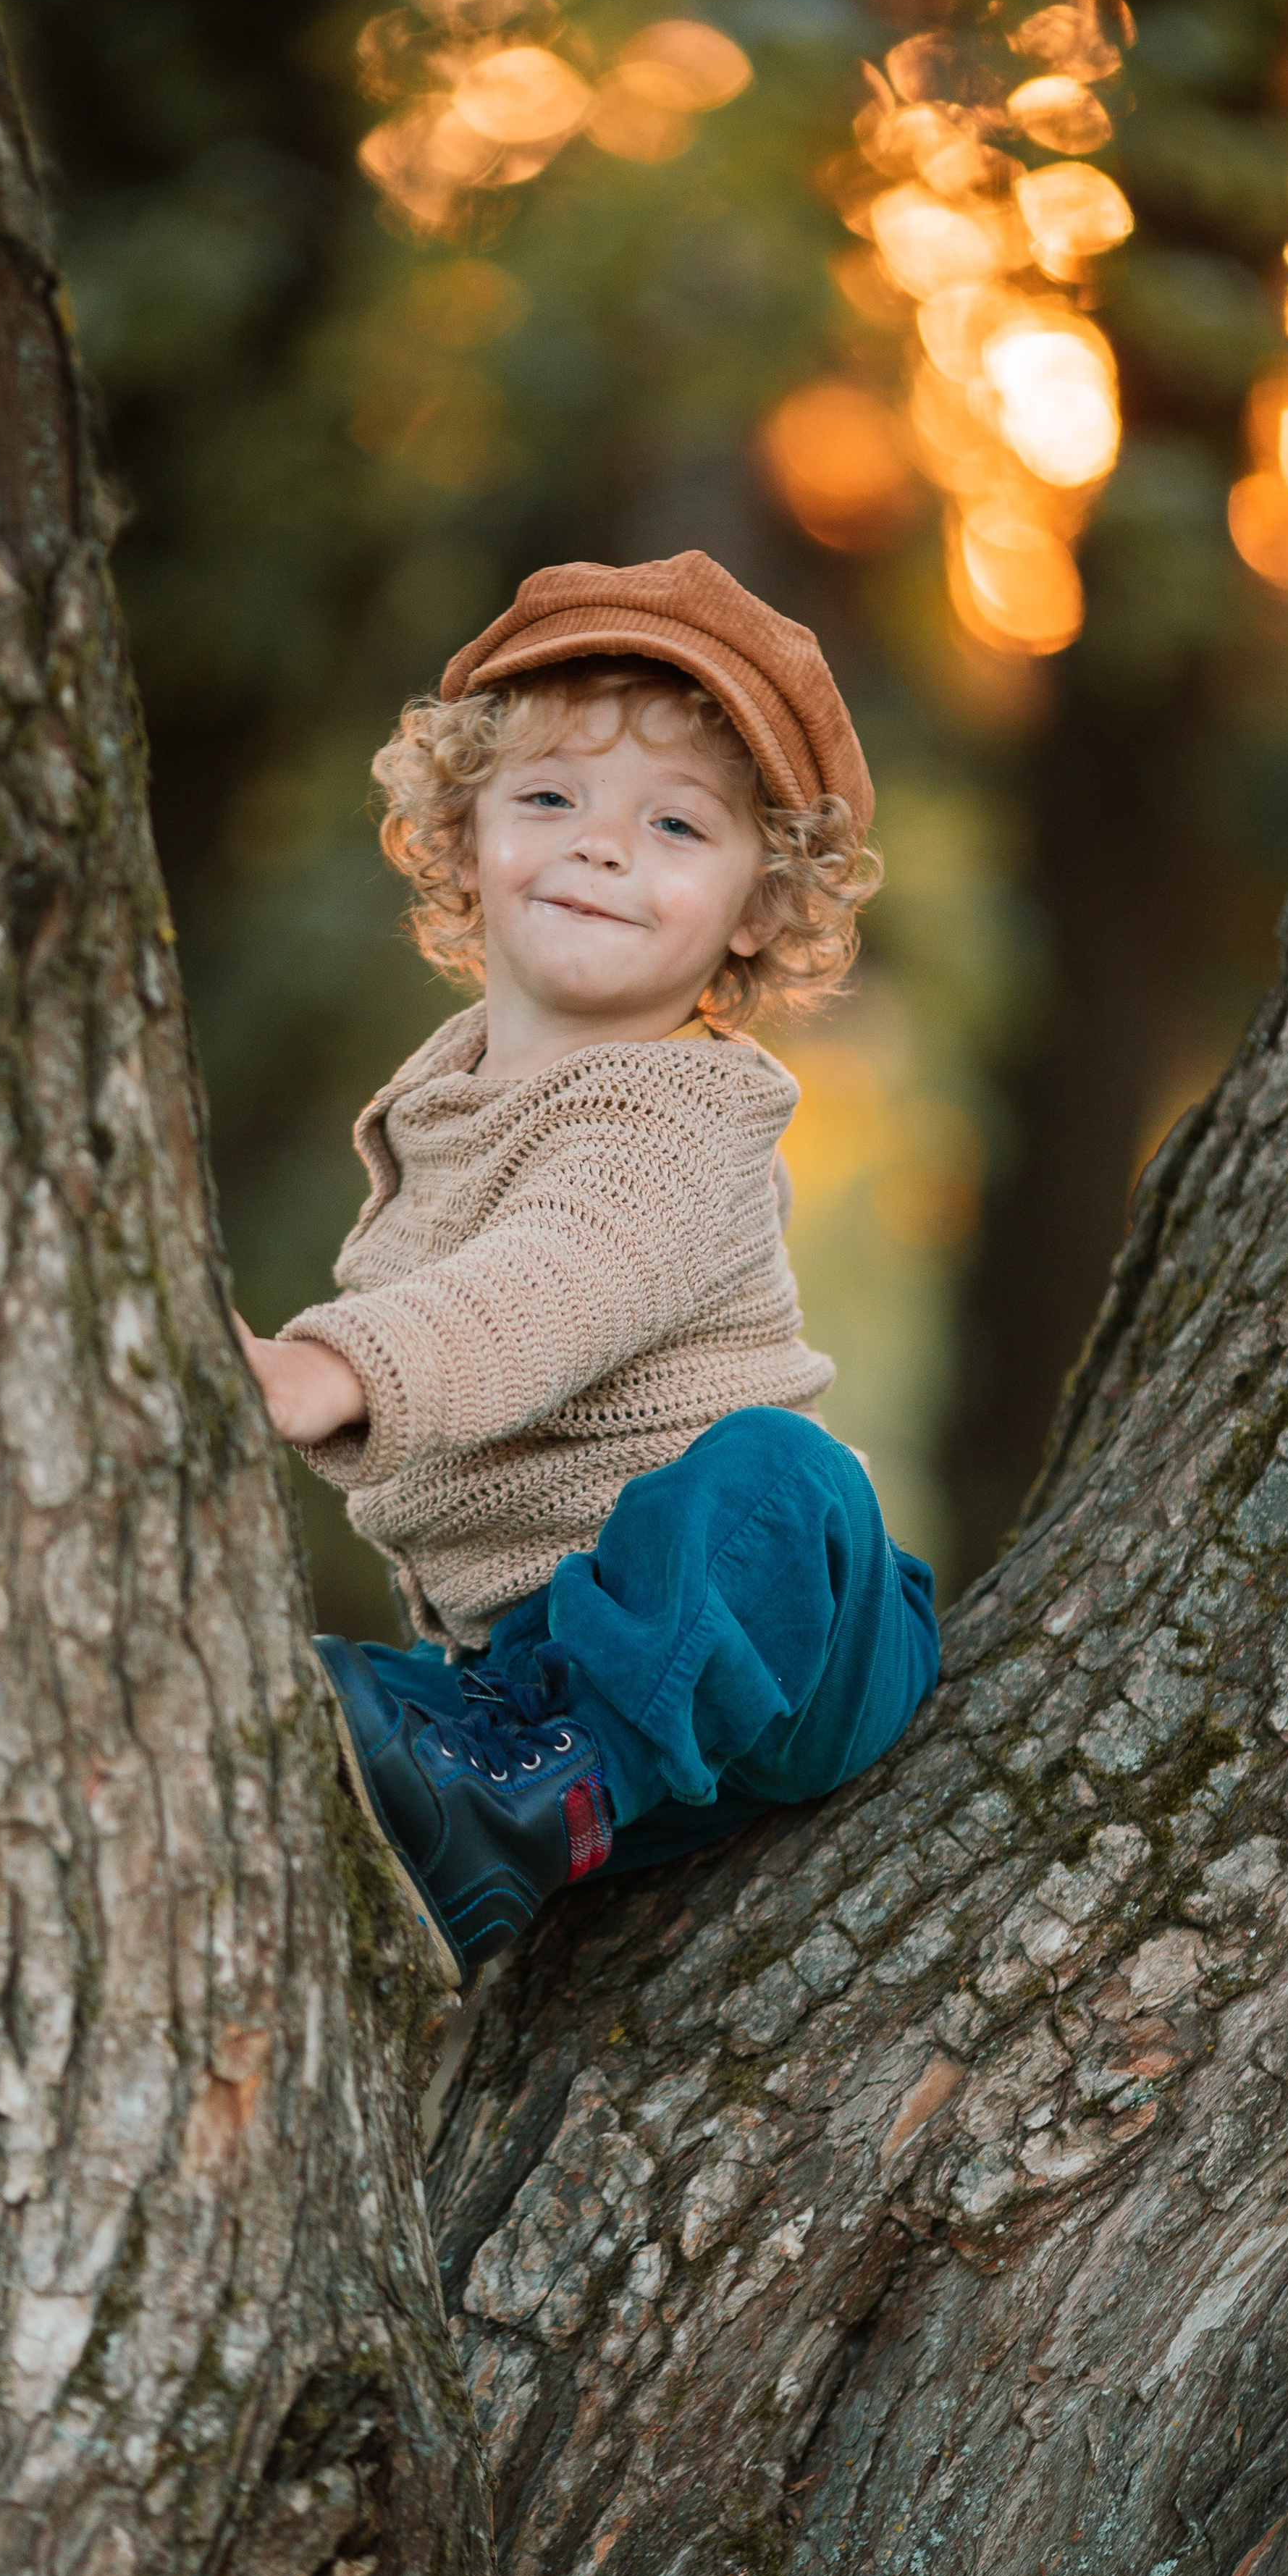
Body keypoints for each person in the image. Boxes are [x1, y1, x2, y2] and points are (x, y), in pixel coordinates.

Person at [235, 551, 940, 1987]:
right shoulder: (441, 1099)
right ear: (458, 836)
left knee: (781, 1486)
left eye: (676, 825)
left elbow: (541, 1296)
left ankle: (518, 1779)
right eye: (548, 798)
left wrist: (313, 1374)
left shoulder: (683, 1112)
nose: (600, 846)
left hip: (785, 1645)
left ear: (756, 904)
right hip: (576, 1684)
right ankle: (511, 1792)